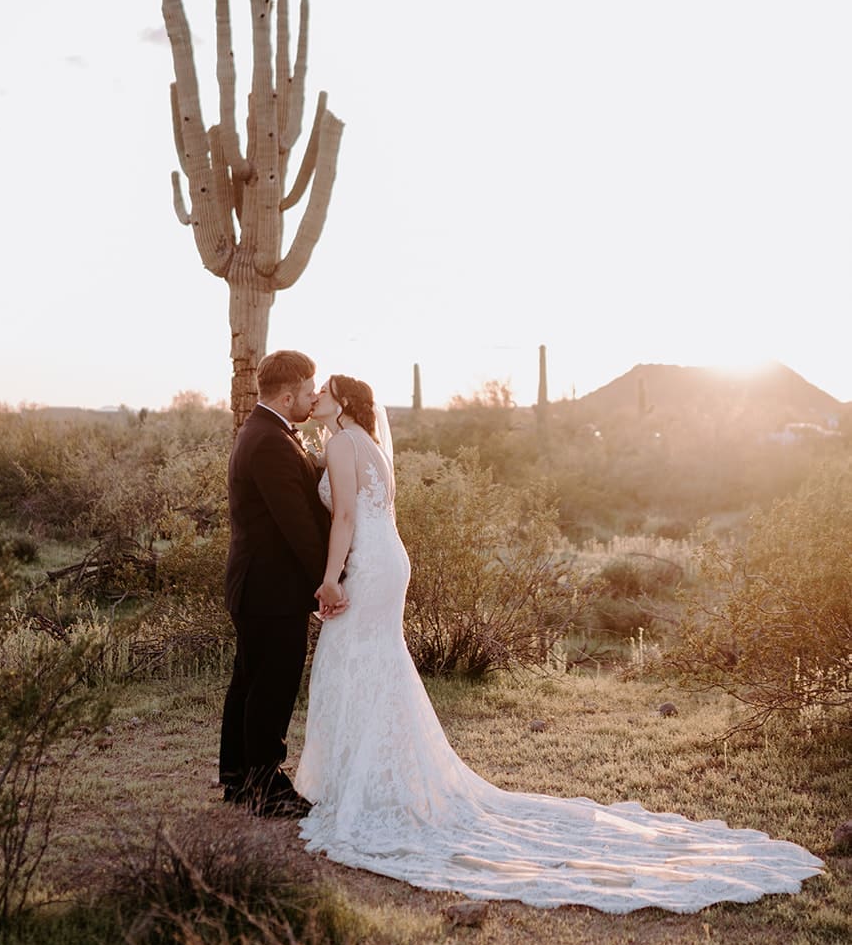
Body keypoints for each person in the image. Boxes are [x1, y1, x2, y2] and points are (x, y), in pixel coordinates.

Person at [293, 374, 824, 913]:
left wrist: (333, 576)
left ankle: (362, 786)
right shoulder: (368, 445)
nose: (314, 398)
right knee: (378, 664)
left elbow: (345, 515)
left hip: (365, 564)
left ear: (342, 402)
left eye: (322, 392)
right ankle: (379, 779)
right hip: (390, 560)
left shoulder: (340, 442)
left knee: (354, 659)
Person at [219, 349, 344, 818]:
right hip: (270, 589)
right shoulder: (269, 441)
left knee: (249, 683)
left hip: (257, 585)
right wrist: (326, 582)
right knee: (271, 687)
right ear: (288, 394)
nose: (313, 399)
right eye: (309, 391)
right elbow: (296, 525)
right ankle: (266, 788)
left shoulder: (266, 432)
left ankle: (237, 780)